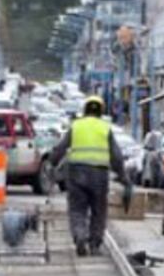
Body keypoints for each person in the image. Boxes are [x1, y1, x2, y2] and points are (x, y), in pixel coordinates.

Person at [50, 95, 132, 257]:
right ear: (101, 111)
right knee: (98, 210)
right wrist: (123, 176)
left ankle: (80, 236)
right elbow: (116, 156)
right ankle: (94, 244)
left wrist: (52, 162)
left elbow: (60, 148)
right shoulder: (105, 128)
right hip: (99, 175)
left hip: (76, 173)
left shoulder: (76, 126)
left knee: (77, 209)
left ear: (85, 110)